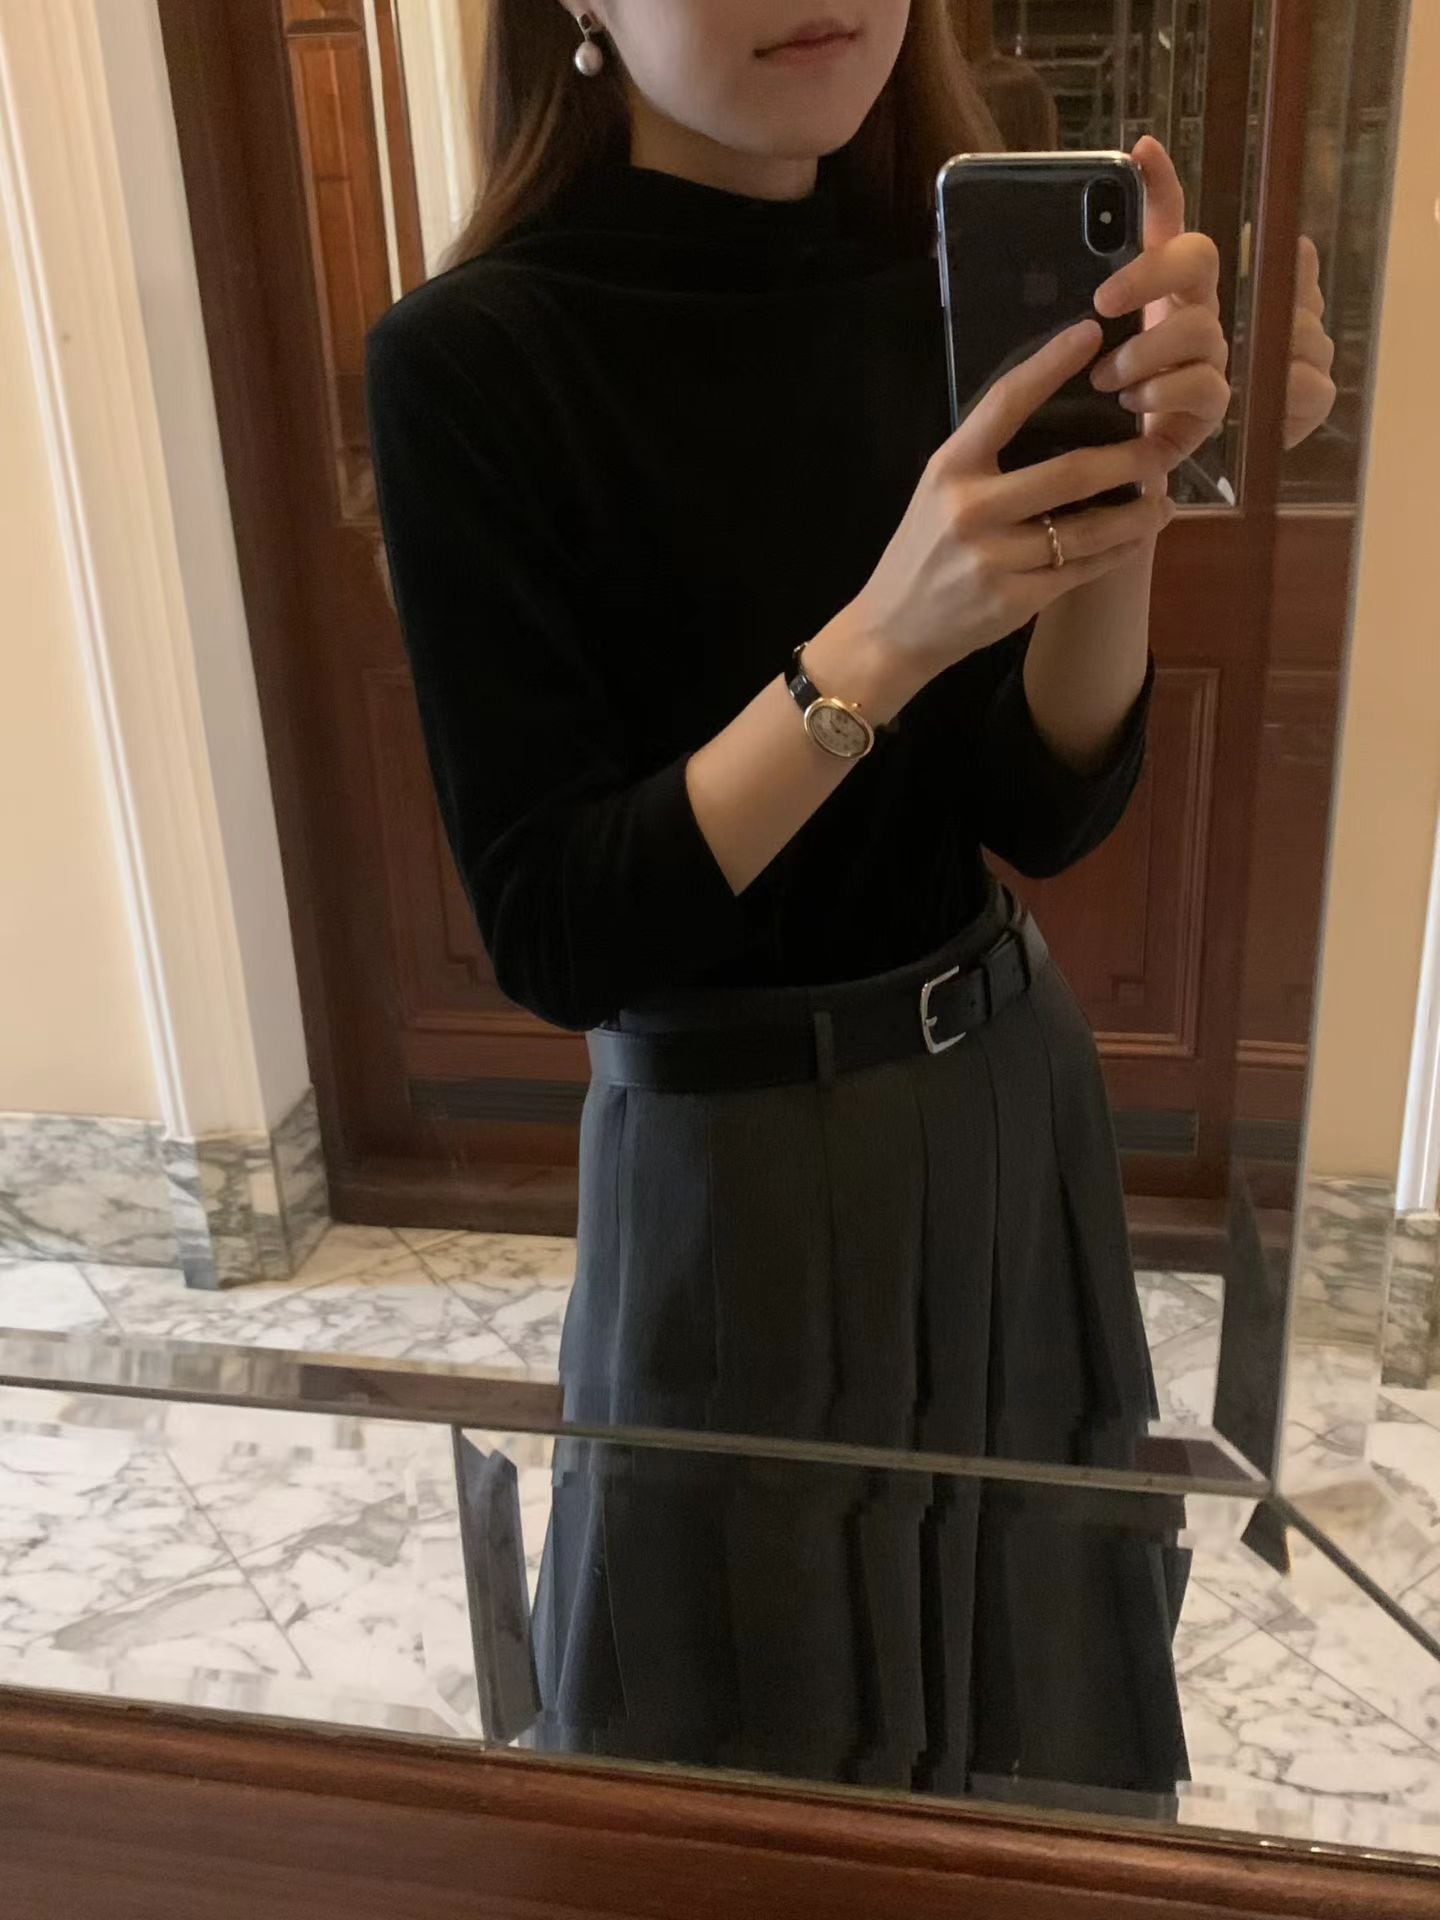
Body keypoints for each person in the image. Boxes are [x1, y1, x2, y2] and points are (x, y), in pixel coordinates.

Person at [365, 1, 1236, 1797]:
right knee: (737, 1757)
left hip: (1005, 1099)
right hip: (728, 1159)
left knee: (1032, 1713)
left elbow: (1041, 803)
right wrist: (883, 640)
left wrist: (1127, 499)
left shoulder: (941, 290)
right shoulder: (472, 360)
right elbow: (560, 927)